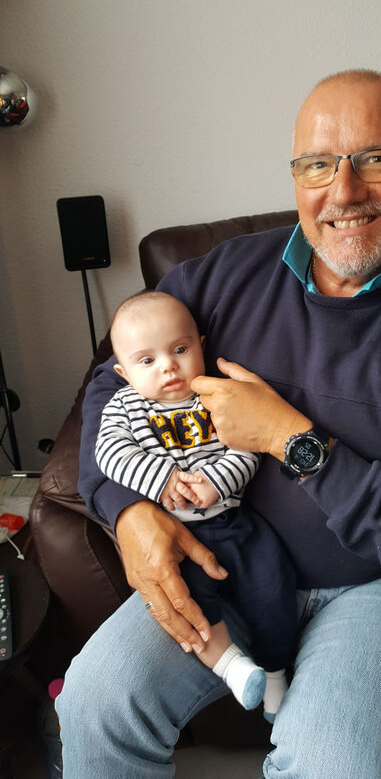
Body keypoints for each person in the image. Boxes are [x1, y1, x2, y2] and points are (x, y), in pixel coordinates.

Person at [57, 69, 381, 779]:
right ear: (296, 178)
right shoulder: (222, 277)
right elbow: (111, 383)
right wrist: (126, 511)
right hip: (220, 555)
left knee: (339, 768)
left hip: (378, 585)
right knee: (95, 701)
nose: (344, 190)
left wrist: (289, 439)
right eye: (317, 164)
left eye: (377, 158)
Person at [95, 290, 297, 717]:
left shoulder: (216, 395)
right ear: (124, 372)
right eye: (146, 360)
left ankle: (275, 672)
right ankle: (231, 666)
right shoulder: (124, 408)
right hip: (176, 534)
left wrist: (217, 482)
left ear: (201, 346)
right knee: (186, 598)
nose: (168, 366)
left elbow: (247, 445)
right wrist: (162, 479)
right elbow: (110, 454)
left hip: (234, 519)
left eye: (180, 350)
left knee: (272, 583)